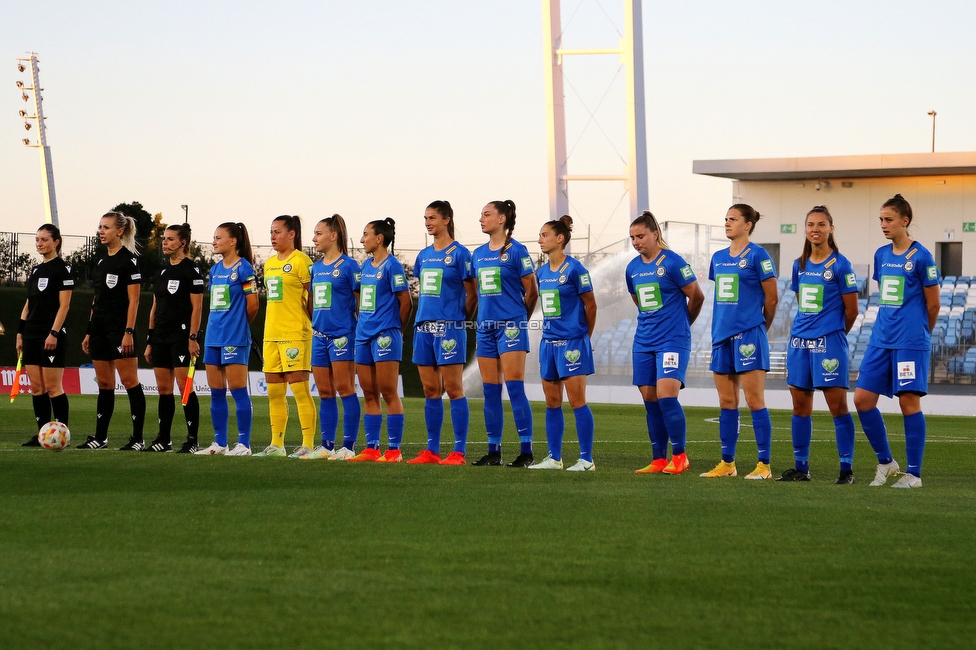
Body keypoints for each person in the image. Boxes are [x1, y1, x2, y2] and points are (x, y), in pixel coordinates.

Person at [854, 194, 940, 488]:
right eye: (880, 219)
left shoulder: (922, 257)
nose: (883, 224)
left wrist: (919, 335)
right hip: (881, 339)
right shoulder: (881, 255)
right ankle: (886, 463)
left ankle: (913, 474)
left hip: (909, 341)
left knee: (908, 404)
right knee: (862, 400)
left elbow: (934, 305)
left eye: (888, 219)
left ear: (905, 221)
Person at [778, 206, 859, 483]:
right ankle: (801, 468)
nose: (816, 229)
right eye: (811, 224)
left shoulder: (841, 265)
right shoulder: (798, 264)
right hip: (799, 341)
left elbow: (852, 311)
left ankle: (846, 470)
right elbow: (802, 303)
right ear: (805, 229)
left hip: (829, 342)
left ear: (831, 229)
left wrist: (833, 333)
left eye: (822, 224)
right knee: (800, 407)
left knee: (838, 407)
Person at [700, 204, 779, 479]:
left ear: (747, 225)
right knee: (726, 402)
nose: (727, 223)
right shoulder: (718, 257)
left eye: (733, 219)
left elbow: (772, 298)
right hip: (721, 335)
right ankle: (728, 464)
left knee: (754, 400)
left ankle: (764, 466)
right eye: (726, 219)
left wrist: (759, 327)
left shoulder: (759, 255)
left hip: (749, 334)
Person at [626, 211, 704, 476]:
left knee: (667, 396)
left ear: (655, 234)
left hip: (672, 340)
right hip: (644, 341)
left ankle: (680, 456)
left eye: (641, 236)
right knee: (649, 399)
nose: (636, 242)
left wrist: (683, 325)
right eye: (633, 238)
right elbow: (638, 301)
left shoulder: (672, 262)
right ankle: (658, 459)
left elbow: (697, 296)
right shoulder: (632, 268)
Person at [408, 200, 477, 465]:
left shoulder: (460, 254)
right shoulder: (423, 256)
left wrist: (458, 320)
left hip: (449, 328)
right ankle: (432, 451)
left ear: (447, 220)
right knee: (429, 389)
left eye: (433, 217)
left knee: (454, 389)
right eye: (425, 218)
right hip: (423, 327)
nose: (428, 222)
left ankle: (458, 452)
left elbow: (473, 294)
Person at [528, 215, 599, 471]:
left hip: (572, 343)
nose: (540, 240)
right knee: (551, 401)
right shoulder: (542, 271)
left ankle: (586, 460)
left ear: (560, 238)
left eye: (544, 235)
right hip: (548, 343)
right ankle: (554, 458)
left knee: (577, 401)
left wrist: (583, 336)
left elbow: (591, 305)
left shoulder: (576, 269)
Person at [471, 200, 538, 467]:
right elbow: (478, 293)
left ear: (501, 219)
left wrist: (521, 319)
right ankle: (494, 452)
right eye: (481, 214)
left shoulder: (517, 251)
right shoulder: (476, 254)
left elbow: (532, 290)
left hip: (511, 326)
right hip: (485, 327)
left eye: (486, 214)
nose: (481, 219)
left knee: (514, 387)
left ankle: (526, 452)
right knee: (490, 391)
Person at [77, 211, 146, 450]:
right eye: (99, 227)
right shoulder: (101, 262)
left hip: (119, 330)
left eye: (105, 227)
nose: (101, 232)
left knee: (130, 382)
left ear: (120, 231)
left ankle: (138, 438)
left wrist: (128, 331)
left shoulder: (129, 261)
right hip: (99, 330)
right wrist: (88, 332)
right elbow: (97, 301)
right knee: (104, 384)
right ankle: (100, 438)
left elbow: (134, 301)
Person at [348, 218, 412, 462]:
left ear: (379, 238)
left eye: (365, 235)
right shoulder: (365, 266)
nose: (362, 239)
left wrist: (395, 329)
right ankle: (372, 448)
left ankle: (394, 451)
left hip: (385, 335)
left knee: (388, 392)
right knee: (369, 393)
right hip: (363, 336)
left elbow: (405, 302)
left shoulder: (392, 266)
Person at [300, 214, 362, 461]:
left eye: (318, 233)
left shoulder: (350, 266)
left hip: (342, 337)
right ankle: (326, 446)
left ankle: (347, 446)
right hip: (320, 337)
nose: (314, 239)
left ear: (333, 236)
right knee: (325, 391)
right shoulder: (314, 268)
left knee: (345, 388)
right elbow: (311, 304)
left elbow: (361, 303)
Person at [254, 215, 317, 458]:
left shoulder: (302, 261)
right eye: (271, 231)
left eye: (277, 231)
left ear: (291, 234)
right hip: (271, 334)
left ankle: (308, 446)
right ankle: (276, 446)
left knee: (300, 390)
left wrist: (313, 324)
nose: (273, 236)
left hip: (295, 334)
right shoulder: (268, 264)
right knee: (274, 392)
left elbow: (312, 297)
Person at [197, 222, 259, 455]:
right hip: (213, 336)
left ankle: (244, 444)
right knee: (216, 391)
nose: (214, 241)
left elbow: (253, 305)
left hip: (234, 337)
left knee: (238, 389)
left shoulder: (244, 269)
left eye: (218, 237)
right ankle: (219, 443)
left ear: (233, 241)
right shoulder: (214, 270)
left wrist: (238, 326)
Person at [143, 223, 204, 453]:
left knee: (184, 386)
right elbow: (155, 307)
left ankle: (192, 439)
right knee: (163, 389)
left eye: (170, 239)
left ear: (183, 243)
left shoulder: (192, 270)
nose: (165, 243)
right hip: (160, 336)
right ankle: (163, 439)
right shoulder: (161, 272)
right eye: (164, 239)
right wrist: (149, 340)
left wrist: (192, 337)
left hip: (181, 337)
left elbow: (197, 308)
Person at [16, 224, 73, 446]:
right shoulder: (36, 270)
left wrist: (54, 333)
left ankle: (62, 433)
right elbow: (29, 304)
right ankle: (42, 433)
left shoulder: (63, 269)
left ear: (56, 242)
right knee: (37, 387)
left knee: (52, 387)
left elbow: (64, 306)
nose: (39, 243)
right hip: (31, 334)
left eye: (44, 240)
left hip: (51, 336)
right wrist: (20, 333)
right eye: (37, 240)